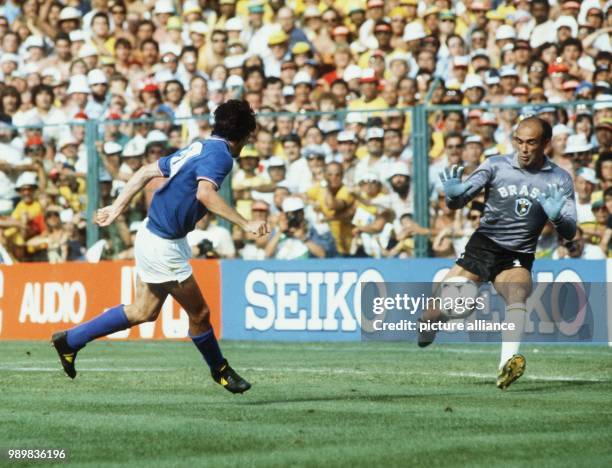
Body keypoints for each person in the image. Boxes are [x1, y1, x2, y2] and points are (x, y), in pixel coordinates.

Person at [51, 100, 268, 394]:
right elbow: (205, 194)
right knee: (200, 314)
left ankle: (70, 340)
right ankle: (220, 370)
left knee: (143, 311)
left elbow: (143, 172)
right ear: (243, 134)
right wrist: (246, 224)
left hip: (157, 236)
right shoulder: (221, 157)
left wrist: (118, 206)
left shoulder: (200, 147)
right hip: (162, 245)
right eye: (250, 134)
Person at [419, 117, 577, 390]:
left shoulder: (560, 179)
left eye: (531, 142)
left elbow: (571, 229)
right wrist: (452, 195)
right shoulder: (495, 165)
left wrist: (558, 219)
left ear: (546, 144)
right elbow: (459, 199)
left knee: (518, 293)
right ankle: (429, 324)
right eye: (519, 141)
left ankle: (506, 366)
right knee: (446, 309)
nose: (524, 148)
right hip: (483, 246)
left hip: (518, 253)